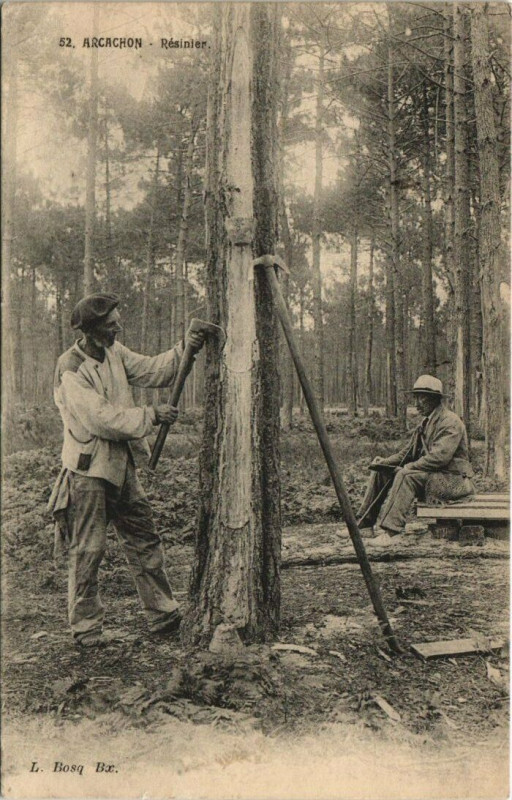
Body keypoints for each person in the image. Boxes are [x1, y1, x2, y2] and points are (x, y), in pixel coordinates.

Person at [47, 293, 206, 646]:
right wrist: (150, 416)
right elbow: (101, 419)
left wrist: (185, 348)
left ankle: (163, 616)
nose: (118, 326)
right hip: (88, 473)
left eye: (117, 320)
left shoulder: (114, 352)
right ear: (90, 331)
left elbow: (153, 370)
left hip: (122, 467)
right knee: (88, 549)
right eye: (110, 323)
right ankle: (86, 628)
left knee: (144, 539)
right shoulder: (70, 369)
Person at [357, 375, 475, 545]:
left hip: (455, 483)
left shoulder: (450, 422)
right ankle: (363, 526)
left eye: (422, 397)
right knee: (382, 470)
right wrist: (384, 463)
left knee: (406, 475)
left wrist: (408, 468)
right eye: (416, 397)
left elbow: (439, 458)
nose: (417, 403)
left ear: (435, 399)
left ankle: (392, 533)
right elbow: (407, 453)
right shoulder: (425, 423)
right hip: (435, 479)